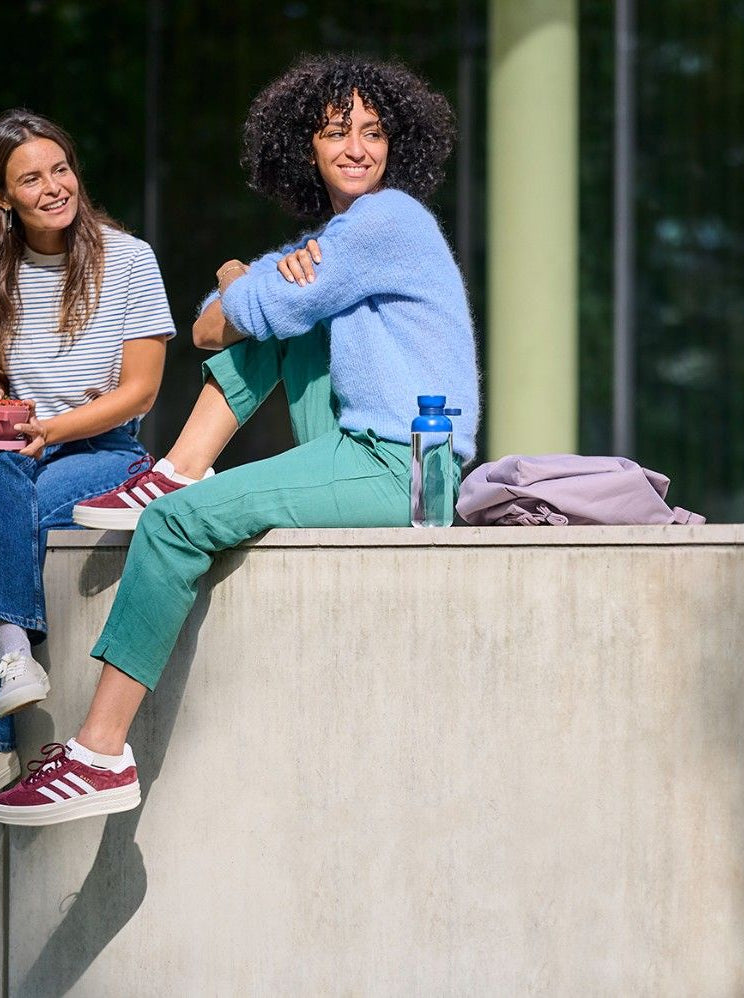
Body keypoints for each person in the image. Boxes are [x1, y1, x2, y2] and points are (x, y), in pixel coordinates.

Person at [0, 55, 479, 825]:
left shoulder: (388, 221)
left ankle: (98, 752)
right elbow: (214, 327)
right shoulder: (337, 240)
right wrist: (253, 292)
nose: (358, 147)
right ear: (307, 147)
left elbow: (225, 313)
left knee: (174, 524)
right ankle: (181, 467)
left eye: (374, 131)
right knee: (284, 325)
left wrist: (237, 275)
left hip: (402, 465)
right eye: (336, 132)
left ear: (398, 143)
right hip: (362, 442)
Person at [0, 110, 173, 791]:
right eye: (30, 178)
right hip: (16, 448)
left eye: (60, 169)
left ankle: (7, 707)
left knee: (24, 506)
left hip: (103, 448)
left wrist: (54, 430)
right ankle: (12, 656)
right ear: (5, 198)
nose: (53, 187)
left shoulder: (128, 259)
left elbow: (141, 392)